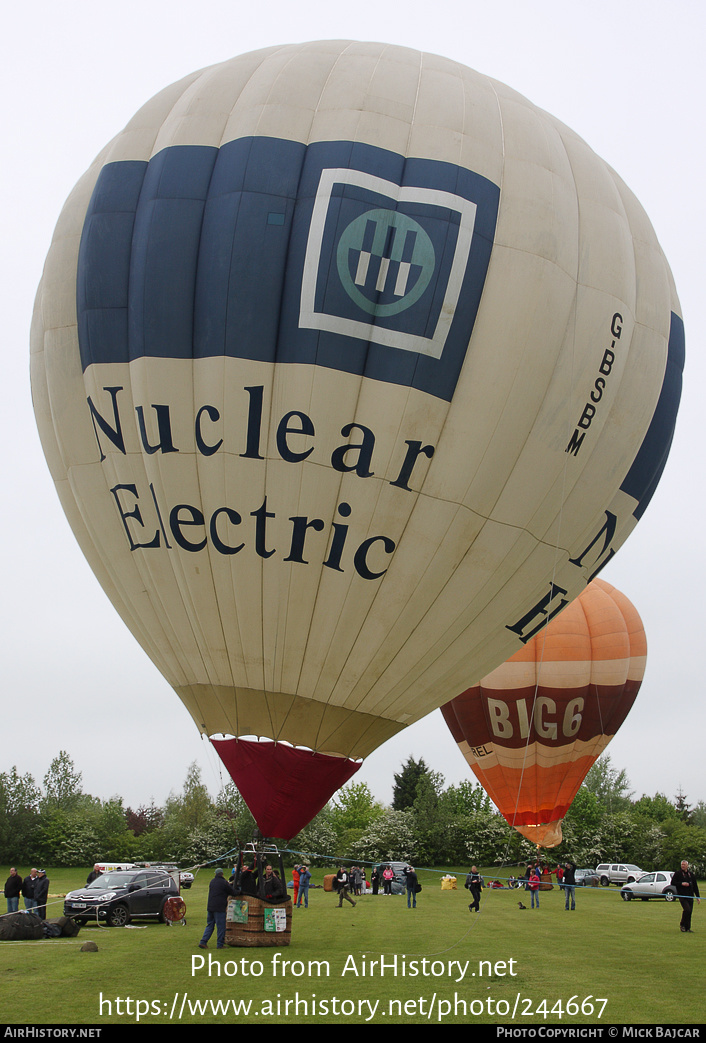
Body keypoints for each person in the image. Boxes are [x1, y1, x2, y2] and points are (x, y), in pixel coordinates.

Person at [199, 868, 236, 950]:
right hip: (219, 908)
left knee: (210, 925)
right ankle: (220, 944)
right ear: (222, 874)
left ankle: (203, 941)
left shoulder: (212, 881)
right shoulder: (224, 882)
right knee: (221, 927)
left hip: (210, 907)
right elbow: (232, 892)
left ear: (215, 874)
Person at [671, 860, 701, 933]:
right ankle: (682, 925)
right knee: (687, 909)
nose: (683, 866)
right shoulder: (678, 874)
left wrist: (698, 896)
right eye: (682, 864)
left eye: (684, 865)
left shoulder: (691, 874)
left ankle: (688, 927)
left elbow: (695, 886)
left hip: (690, 896)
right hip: (682, 896)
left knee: (690, 912)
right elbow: (672, 882)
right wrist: (681, 884)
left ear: (687, 865)